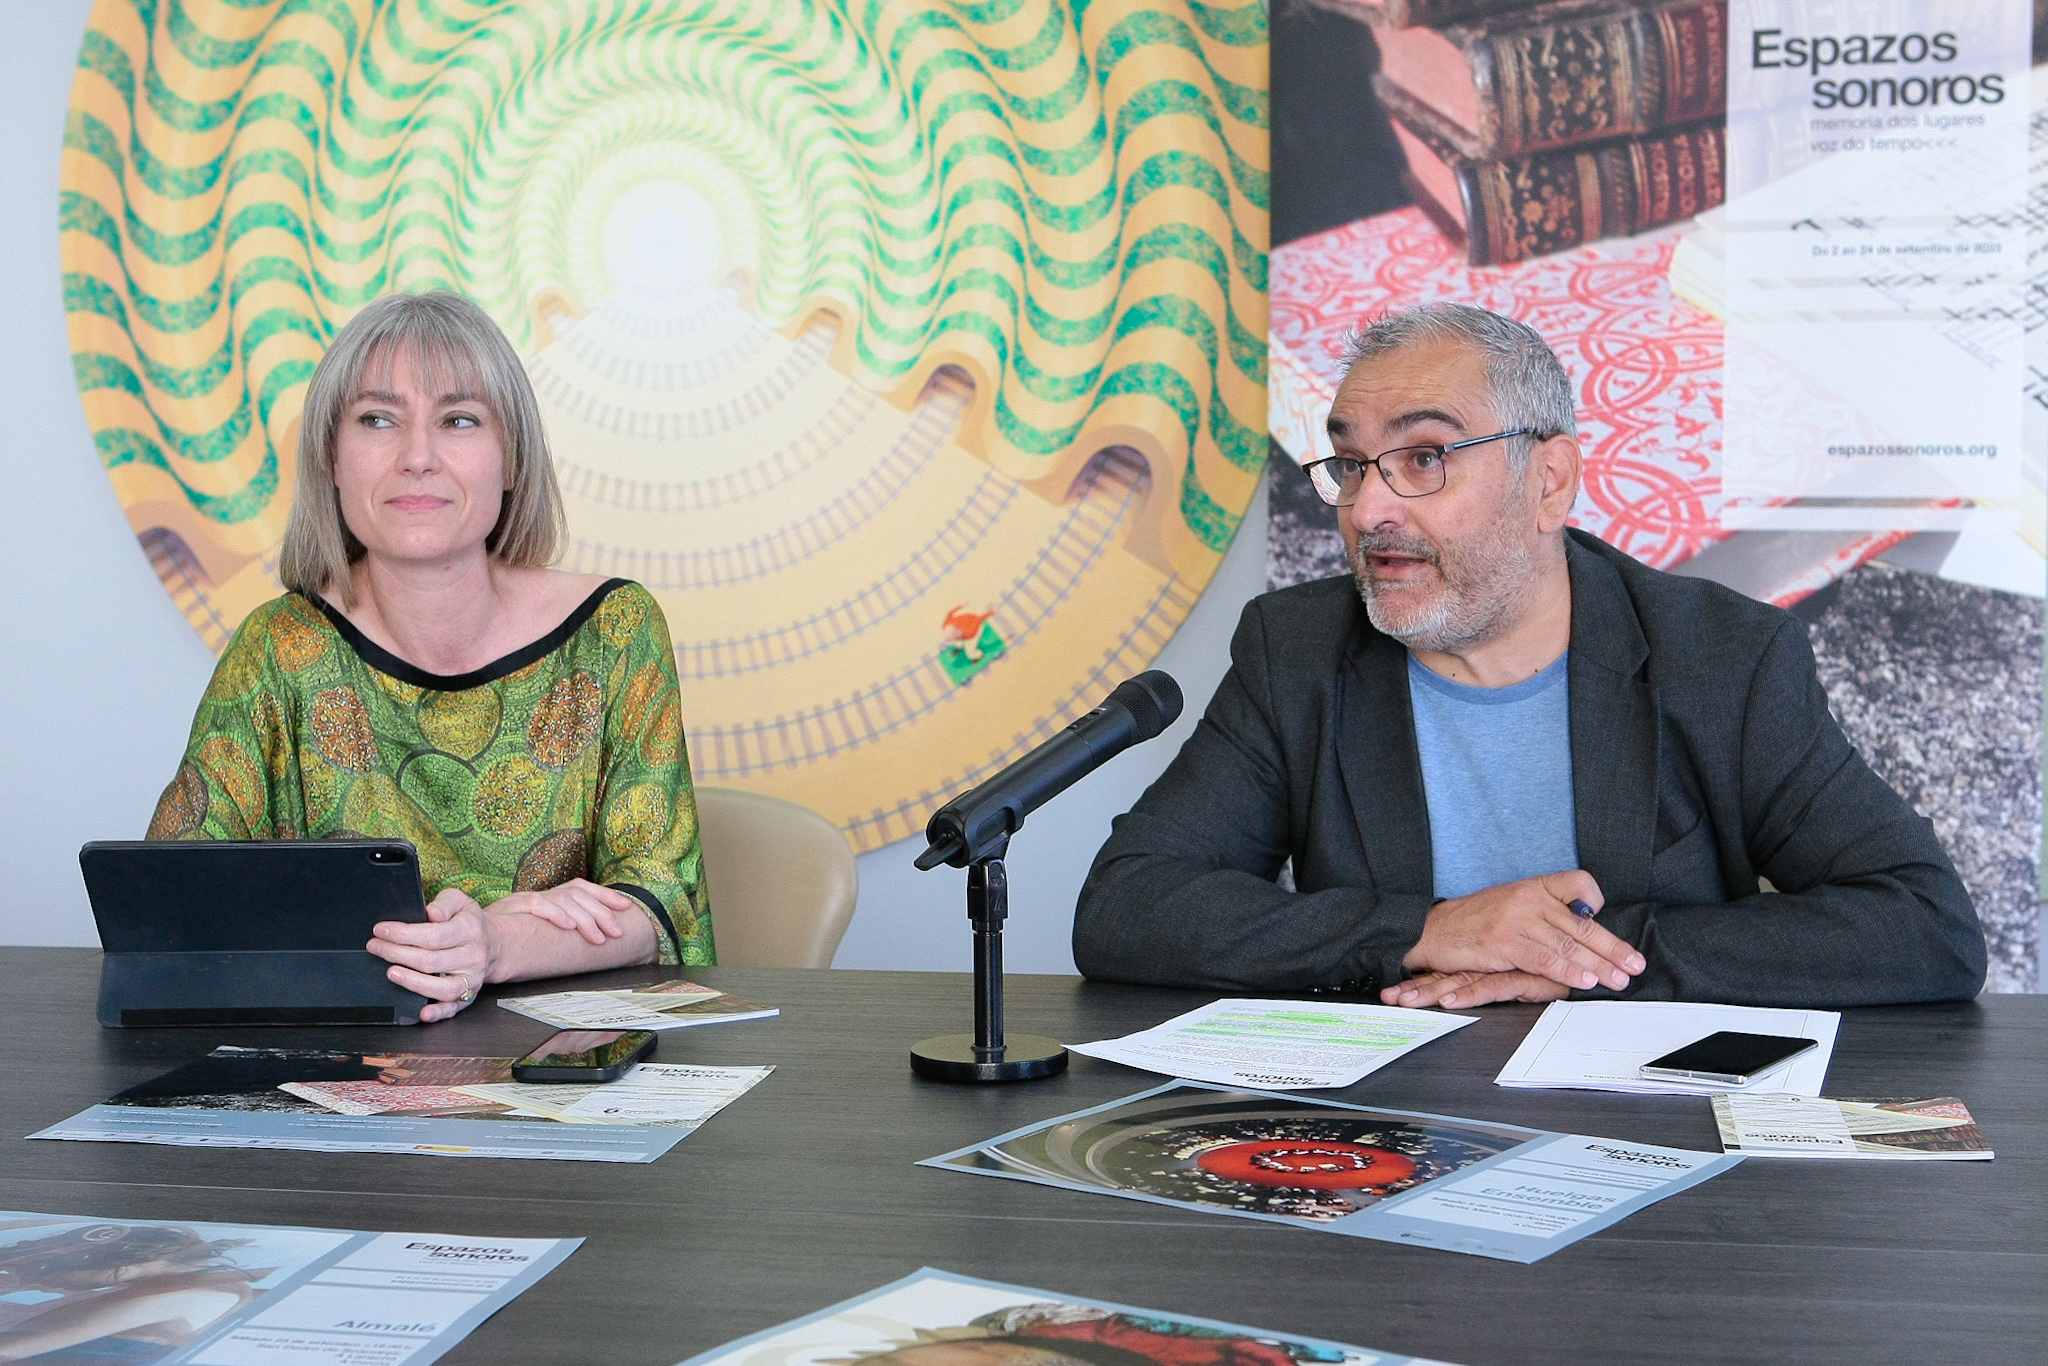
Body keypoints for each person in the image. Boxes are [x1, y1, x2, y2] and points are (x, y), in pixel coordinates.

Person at [1073, 303, 1985, 1007]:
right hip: (1387, 1128)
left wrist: (1583, 952)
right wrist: (1428, 931)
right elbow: (1128, 905)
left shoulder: (1721, 657)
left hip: (1643, 1135)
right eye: (1351, 465)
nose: (1368, 510)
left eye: (1425, 458)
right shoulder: (1298, 651)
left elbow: (1923, 924)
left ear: (1549, 482)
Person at [148, 291, 712, 1019]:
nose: (417, 458)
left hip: (558, 1059)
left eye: (459, 420)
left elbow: (663, 904)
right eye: (378, 420)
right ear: (331, 458)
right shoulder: (279, 648)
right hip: (342, 1061)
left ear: (511, 460)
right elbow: (172, 908)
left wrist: (496, 942)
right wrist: (492, 928)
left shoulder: (614, 632)